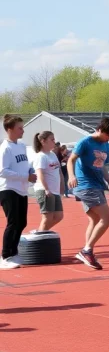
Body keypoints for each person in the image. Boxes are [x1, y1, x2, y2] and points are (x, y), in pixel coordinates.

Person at [67, 117, 109, 270]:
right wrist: (71, 176)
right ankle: (86, 250)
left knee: (95, 219)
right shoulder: (85, 142)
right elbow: (71, 160)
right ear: (100, 130)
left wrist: (108, 180)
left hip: (97, 185)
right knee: (108, 217)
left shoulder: (106, 145)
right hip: (86, 185)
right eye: (108, 135)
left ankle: (88, 251)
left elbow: (102, 165)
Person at [1, 115, 36, 269]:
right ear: (10, 130)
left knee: (22, 222)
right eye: (19, 128)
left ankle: (14, 253)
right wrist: (25, 176)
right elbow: (2, 171)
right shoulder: (5, 148)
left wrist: (30, 171)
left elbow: (24, 164)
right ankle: (6, 256)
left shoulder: (21, 146)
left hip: (21, 189)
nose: (23, 130)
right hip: (8, 189)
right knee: (13, 222)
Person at [31, 131, 64, 233]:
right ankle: (40, 237)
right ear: (43, 141)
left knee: (59, 216)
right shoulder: (40, 156)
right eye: (52, 139)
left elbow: (59, 171)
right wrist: (46, 189)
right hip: (44, 190)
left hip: (54, 191)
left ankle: (40, 232)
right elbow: (39, 173)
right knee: (47, 218)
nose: (54, 141)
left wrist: (62, 185)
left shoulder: (52, 154)